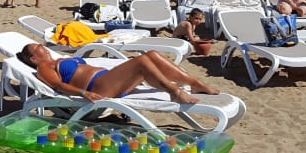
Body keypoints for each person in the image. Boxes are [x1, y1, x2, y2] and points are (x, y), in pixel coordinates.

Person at [17, 43, 218, 104]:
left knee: (151, 54)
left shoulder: (56, 60)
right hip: (99, 88)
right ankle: (174, 92)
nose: (42, 46)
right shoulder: (44, 68)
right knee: (141, 62)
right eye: (38, 47)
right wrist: (83, 93)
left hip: (107, 80)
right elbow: (58, 86)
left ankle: (194, 82)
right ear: (33, 58)